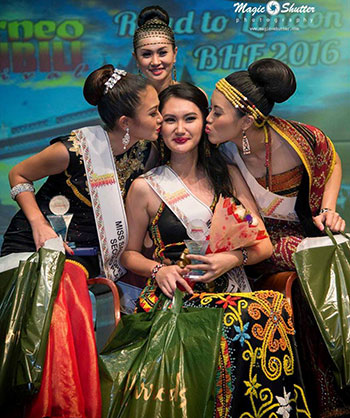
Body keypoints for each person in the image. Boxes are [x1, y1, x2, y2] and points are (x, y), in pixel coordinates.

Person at [120, 83, 311, 417]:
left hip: (234, 290)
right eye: (170, 120)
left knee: (264, 309)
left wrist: (231, 258)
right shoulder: (144, 187)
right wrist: (159, 270)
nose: (180, 129)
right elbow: (128, 254)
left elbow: (263, 245)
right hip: (180, 296)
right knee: (245, 317)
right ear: (158, 127)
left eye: (190, 118)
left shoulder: (229, 176)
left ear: (204, 121)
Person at [0, 65, 162, 418]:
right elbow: (18, 174)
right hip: (37, 247)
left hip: (89, 257)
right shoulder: (72, 149)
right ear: (124, 122)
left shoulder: (144, 150)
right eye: (153, 112)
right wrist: (40, 225)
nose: (161, 117)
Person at [206, 58, 350, 417]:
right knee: (310, 269)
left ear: (248, 119)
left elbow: (330, 160)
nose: (208, 119)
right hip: (256, 242)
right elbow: (250, 226)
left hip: (304, 231)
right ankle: (329, 401)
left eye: (217, 112)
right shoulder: (220, 152)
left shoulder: (301, 139)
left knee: (336, 260)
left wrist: (328, 209)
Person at [133, 5, 177, 93]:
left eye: (162, 53)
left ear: (174, 54)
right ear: (136, 58)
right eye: (146, 54)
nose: (155, 62)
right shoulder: (128, 101)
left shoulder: (194, 96)